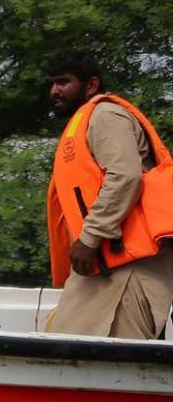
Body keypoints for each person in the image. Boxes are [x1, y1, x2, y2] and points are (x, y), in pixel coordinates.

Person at [45, 50, 173, 339]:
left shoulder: (105, 115)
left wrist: (90, 236)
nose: (54, 90)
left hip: (128, 267)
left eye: (63, 81)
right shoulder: (88, 119)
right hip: (104, 266)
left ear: (91, 84)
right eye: (52, 83)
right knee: (67, 350)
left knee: (109, 359)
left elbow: (125, 176)